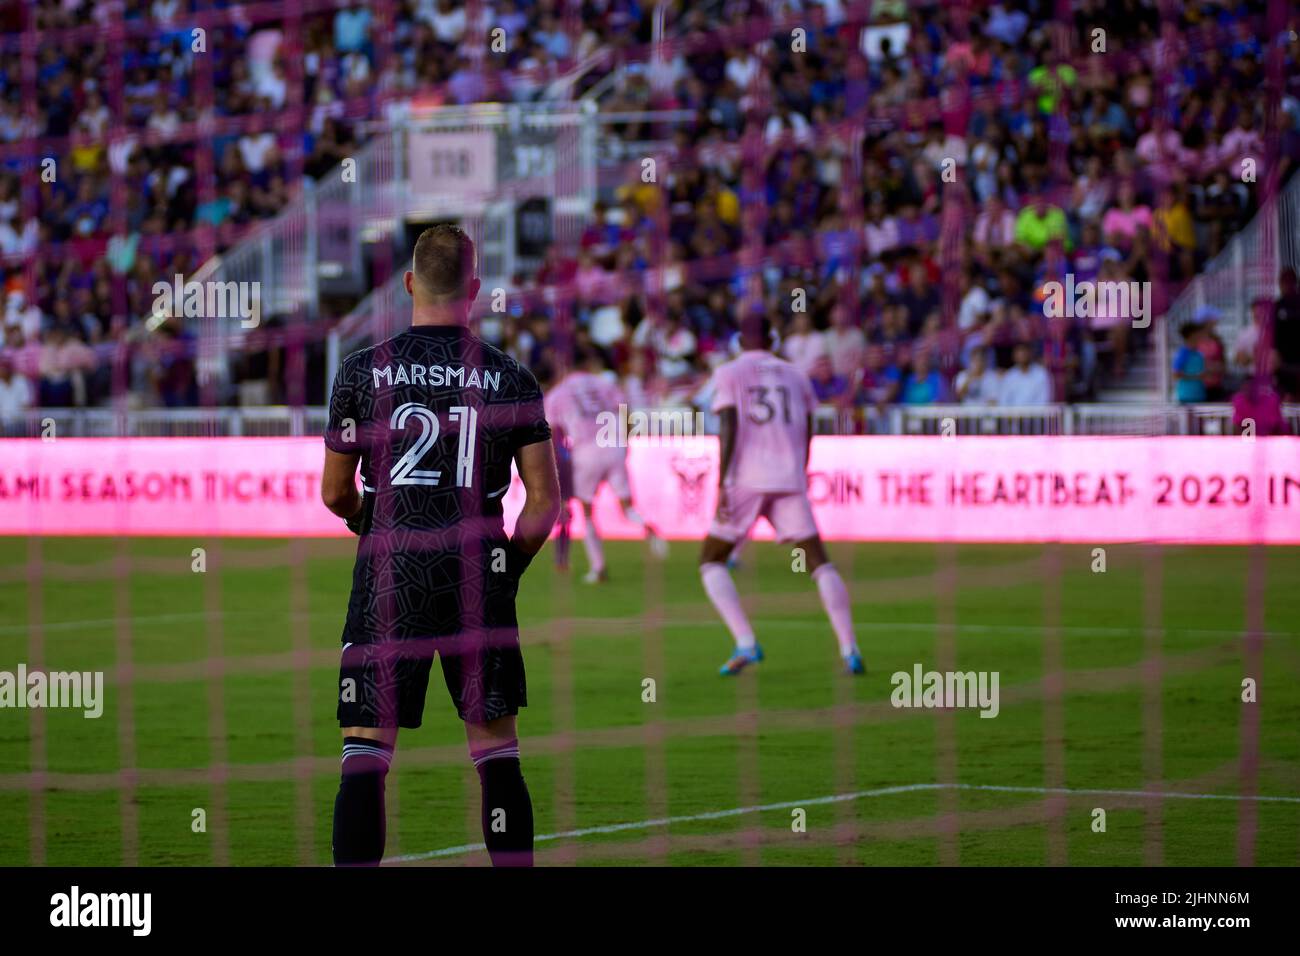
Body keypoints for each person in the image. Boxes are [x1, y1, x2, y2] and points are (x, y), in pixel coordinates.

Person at [321, 225, 561, 867]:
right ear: (475, 291)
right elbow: (544, 504)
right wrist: (505, 568)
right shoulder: (510, 378)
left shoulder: (360, 371)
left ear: (407, 284)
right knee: (497, 755)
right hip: (475, 577)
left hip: (388, 577)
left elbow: (335, 493)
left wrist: (372, 525)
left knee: (365, 757)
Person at [698, 317, 863, 677]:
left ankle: (745, 641)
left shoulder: (728, 372)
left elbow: (728, 425)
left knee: (711, 560)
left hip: (746, 478)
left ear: (740, 340)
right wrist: (800, 471)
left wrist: (723, 482)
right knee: (819, 563)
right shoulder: (796, 374)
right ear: (773, 338)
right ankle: (849, 648)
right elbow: (808, 429)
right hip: (789, 477)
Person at [545, 348, 668, 584]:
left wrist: (558, 462)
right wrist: (626, 441)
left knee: (588, 511)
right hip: (614, 446)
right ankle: (649, 528)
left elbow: (552, 432)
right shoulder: (604, 384)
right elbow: (627, 412)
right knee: (627, 506)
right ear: (588, 364)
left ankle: (599, 567)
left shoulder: (559, 393)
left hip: (585, 451)